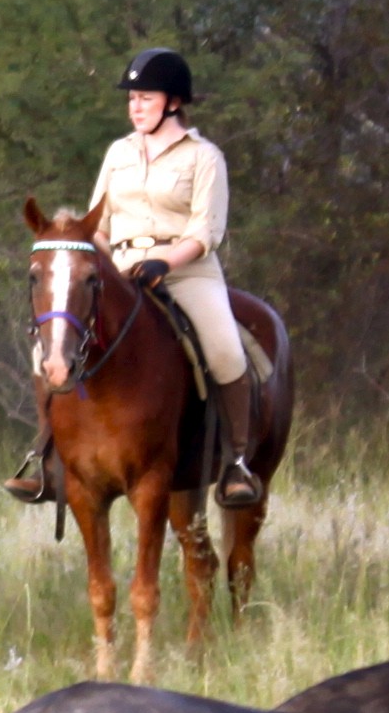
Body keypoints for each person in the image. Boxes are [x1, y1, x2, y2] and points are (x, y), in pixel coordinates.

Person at [15, 46, 260, 507]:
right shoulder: (118, 153)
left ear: (172, 102)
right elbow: (98, 225)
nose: (136, 107)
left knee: (226, 351)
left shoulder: (205, 157)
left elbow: (207, 230)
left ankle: (236, 463)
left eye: (145, 98)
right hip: (121, 270)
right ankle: (47, 459)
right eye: (131, 100)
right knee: (47, 349)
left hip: (187, 271)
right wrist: (105, 263)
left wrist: (165, 262)